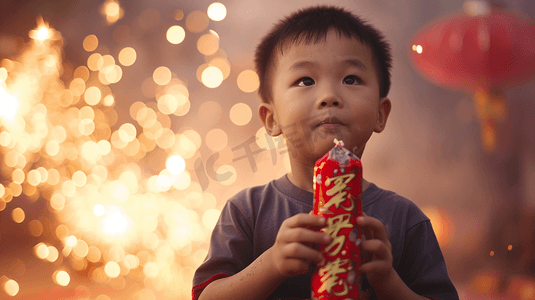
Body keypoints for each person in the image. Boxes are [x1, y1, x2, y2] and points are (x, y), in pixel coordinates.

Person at [192, 5, 459, 300]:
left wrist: (388, 282)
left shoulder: (406, 220)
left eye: (351, 79)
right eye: (305, 81)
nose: (329, 96)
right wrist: (272, 264)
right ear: (271, 119)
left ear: (380, 114)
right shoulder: (247, 212)